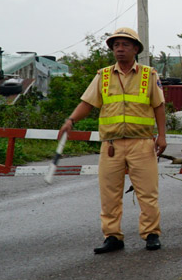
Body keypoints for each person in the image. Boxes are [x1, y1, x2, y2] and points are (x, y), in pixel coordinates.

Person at [59, 27, 168, 254]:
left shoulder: (149, 75)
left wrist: (162, 137)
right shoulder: (104, 76)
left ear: (136, 49)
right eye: (116, 45)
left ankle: (151, 234)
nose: (119, 49)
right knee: (109, 193)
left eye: (125, 45)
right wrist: (70, 120)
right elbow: (87, 103)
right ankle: (112, 236)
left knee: (147, 192)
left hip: (142, 143)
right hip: (111, 145)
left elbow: (159, 106)